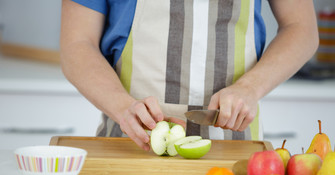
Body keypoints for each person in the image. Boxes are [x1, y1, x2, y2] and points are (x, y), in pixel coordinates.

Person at [60, 0, 319, 151]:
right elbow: (77, 44)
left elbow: (302, 28)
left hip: (235, 153)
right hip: (132, 147)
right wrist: (122, 106)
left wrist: (250, 88)